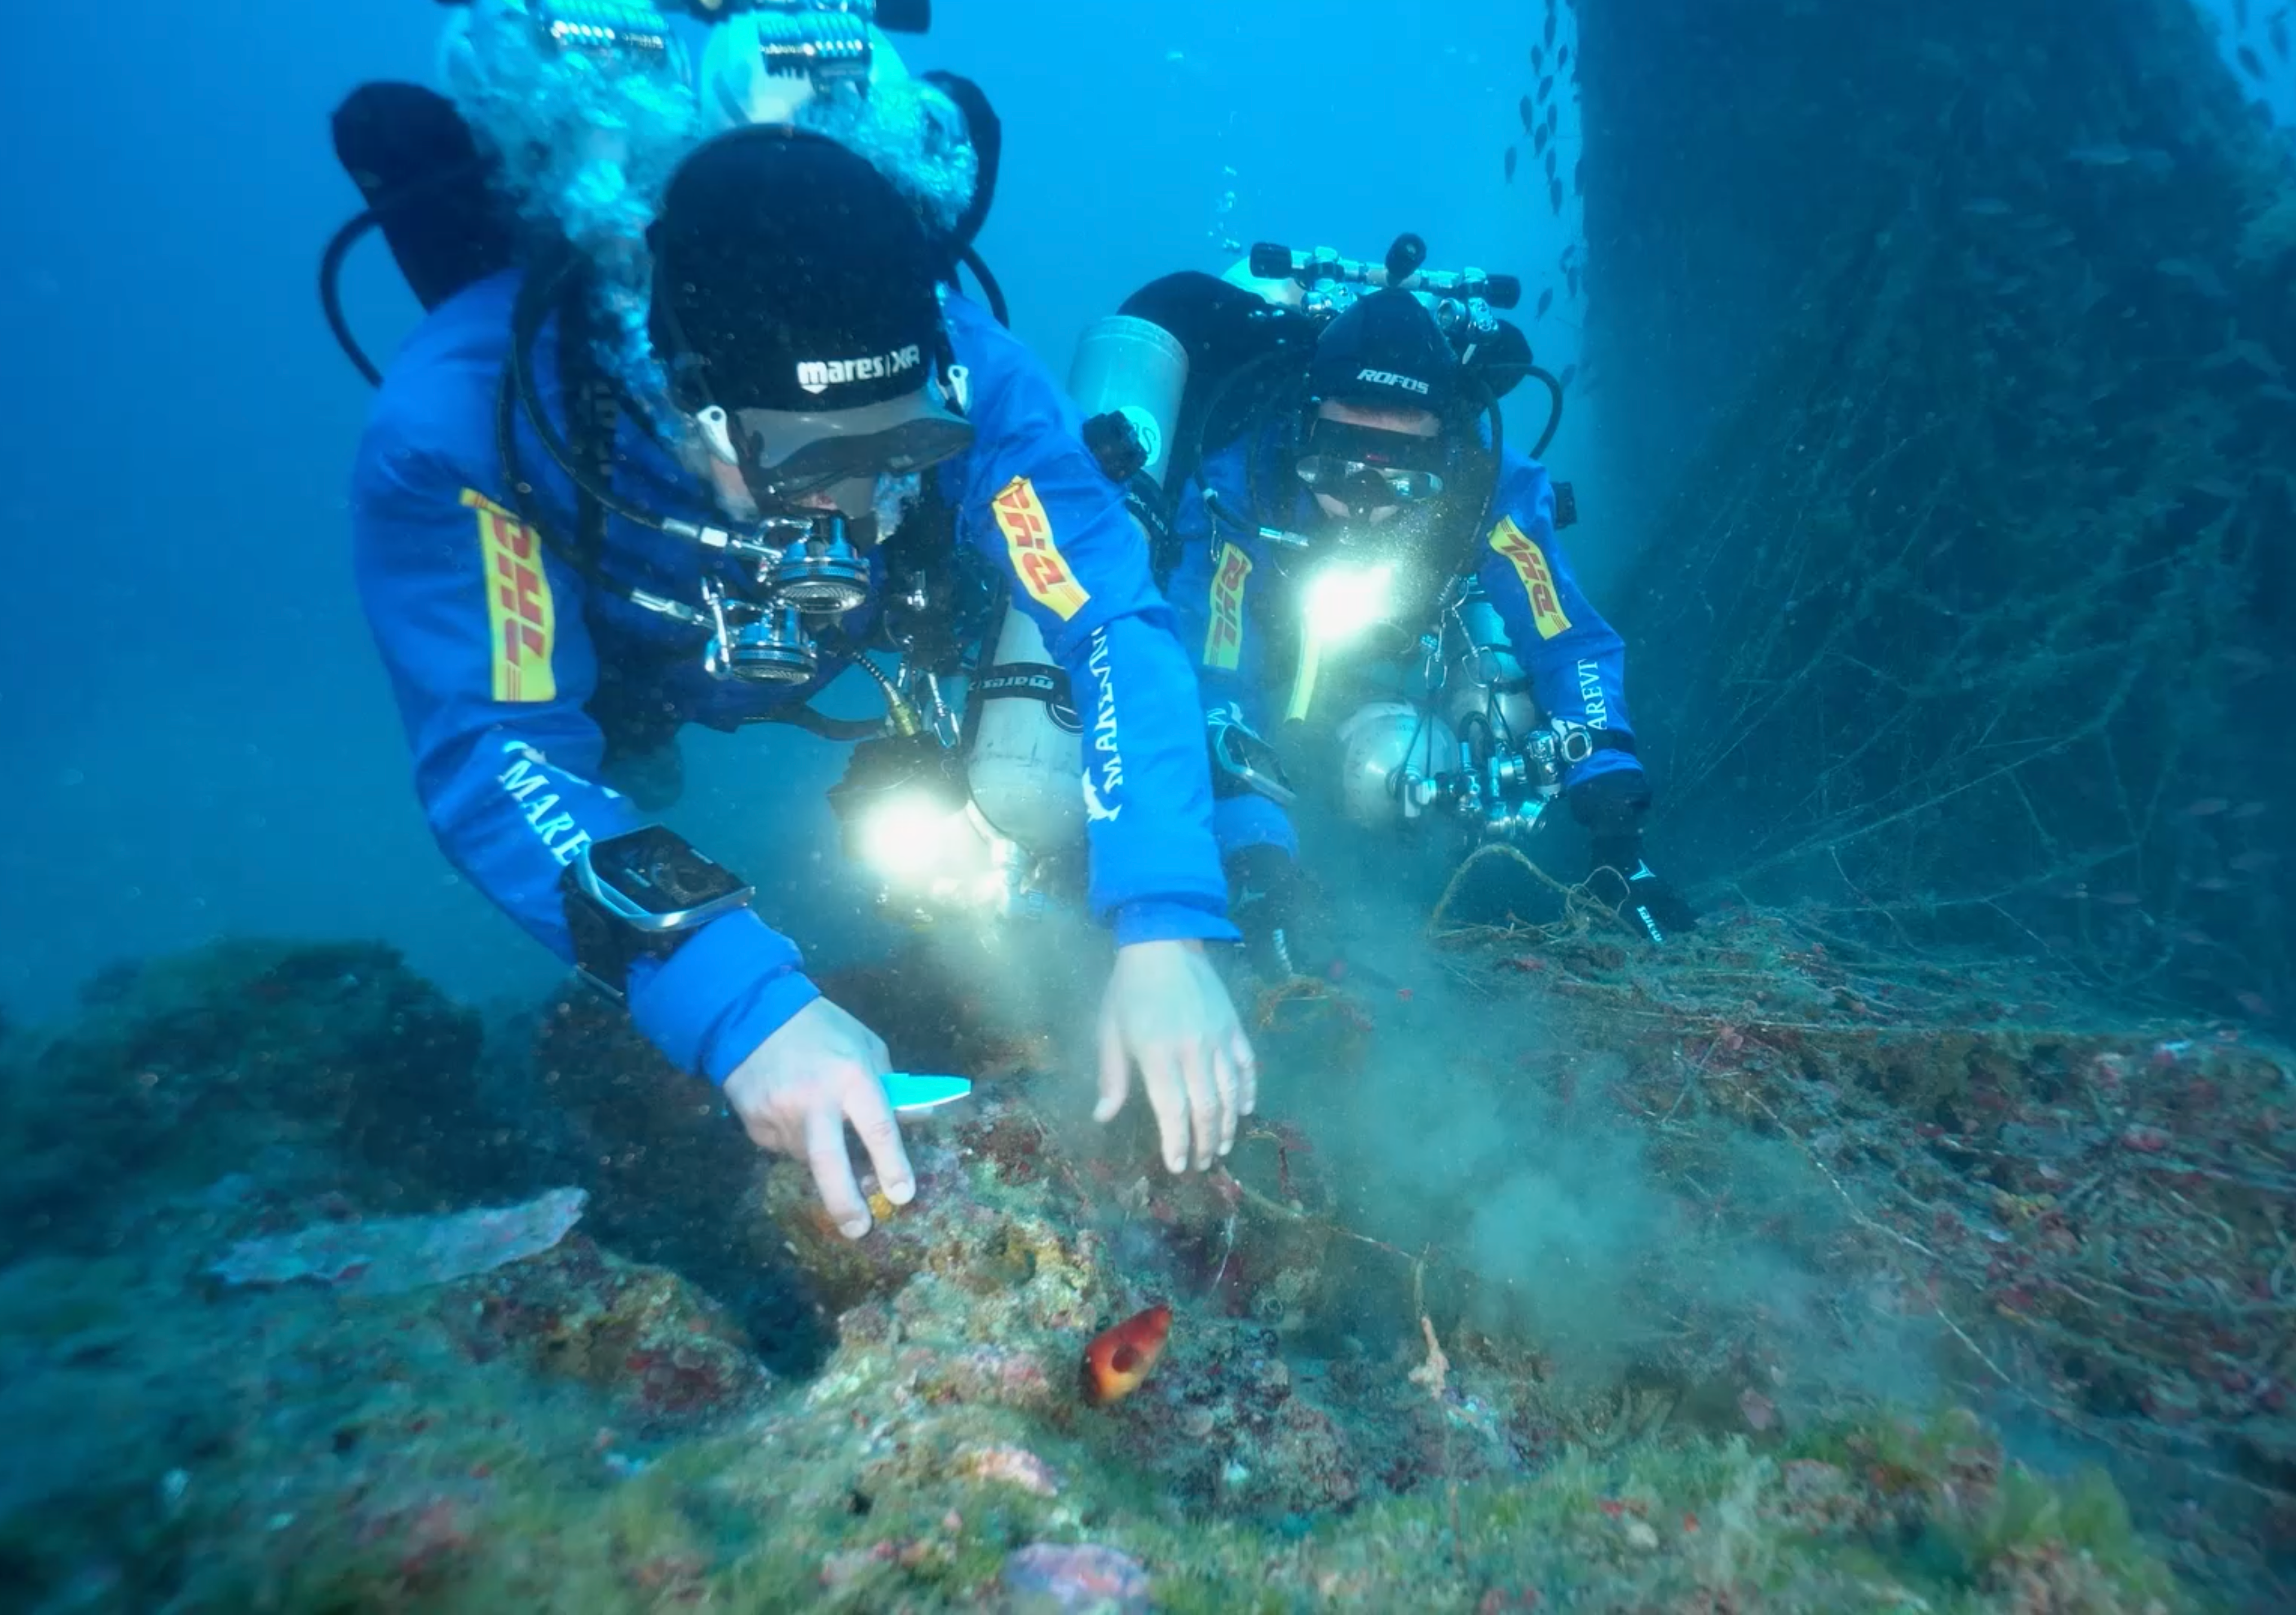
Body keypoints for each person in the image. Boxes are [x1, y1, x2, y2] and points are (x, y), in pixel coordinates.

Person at [348, 128, 1256, 1241]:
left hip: (872, 637)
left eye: (904, 449)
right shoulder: (469, 426)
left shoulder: (977, 376)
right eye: (817, 462)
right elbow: (499, 750)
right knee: (616, 767)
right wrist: (739, 1007)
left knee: (1026, 756)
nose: (868, 505)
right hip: (633, 658)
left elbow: (1110, 618)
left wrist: (1163, 918)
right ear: (686, 400)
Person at [1136, 279, 1695, 970]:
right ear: (1300, 429)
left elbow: (1567, 639)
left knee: (1509, 696)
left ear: (1448, 452)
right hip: (1281, 650)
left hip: (1419, 646)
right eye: (1335, 470)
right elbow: (1216, 668)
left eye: (1402, 482)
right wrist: (1255, 859)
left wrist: (1617, 839)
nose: (1363, 509)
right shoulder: (1241, 483)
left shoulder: (1490, 485)